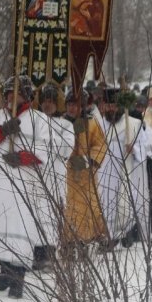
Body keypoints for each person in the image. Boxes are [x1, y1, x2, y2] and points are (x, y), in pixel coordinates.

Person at [0, 75, 51, 299]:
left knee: (20, 227)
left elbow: (44, 151)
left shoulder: (38, 119)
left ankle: (18, 276)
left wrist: (23, 157)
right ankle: (5, 269)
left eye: (17, 93)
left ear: (26, 95)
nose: (12, 97)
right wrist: (3, 131)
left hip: (24, 179)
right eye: (9, 93)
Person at [98, 88, 149, 244]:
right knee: (104, 204)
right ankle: (108, 237)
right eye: (108, 105)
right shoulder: (97, 123)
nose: (111, 109)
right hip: (103, 172)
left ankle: (125, 233)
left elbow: (144, 148)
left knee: (124, 205)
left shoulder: (133, 124)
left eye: (114, 105)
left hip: (125, 171)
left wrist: (134, 149)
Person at [61, 89, 108, 248]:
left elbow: (101, 145)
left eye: (76, 104)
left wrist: (88, 161)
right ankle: (67, 239)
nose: (72, 108)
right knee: (67, 205)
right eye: (70, 104)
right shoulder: (61, 122)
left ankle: (85, 238)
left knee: (87, 205)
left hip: (86, 175)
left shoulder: (91, 122)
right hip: (66, 173)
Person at [34, 84, 74, 270]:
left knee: (52, 215)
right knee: (35, 214)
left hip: (56, 175)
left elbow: (67, 148)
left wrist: (49, 137)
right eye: (45, 101)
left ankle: (50, 253)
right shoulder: (35, 121)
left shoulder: (66, 124)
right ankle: (36, 253)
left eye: (51, 101)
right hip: (37, 173)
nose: (48, 105)